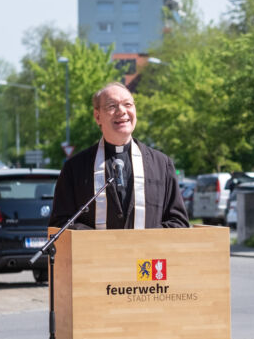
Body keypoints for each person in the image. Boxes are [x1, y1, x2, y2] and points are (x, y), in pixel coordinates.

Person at [50, 82, 189, 230]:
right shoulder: (75, 168)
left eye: (128, 104)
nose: (122, 111)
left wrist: (146, 238)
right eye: (112, 106)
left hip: (148, 246)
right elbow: (60, 224)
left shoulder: (161, 165)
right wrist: (99, 240)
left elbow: (179, 223)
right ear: (97, 116)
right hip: (97, 246)